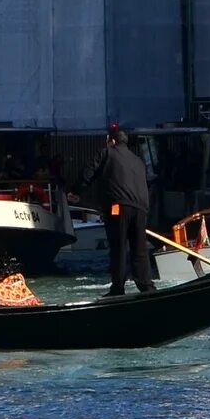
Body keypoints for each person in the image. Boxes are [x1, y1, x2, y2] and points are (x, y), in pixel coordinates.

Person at [86, 123, 158, 296]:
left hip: (119, 207)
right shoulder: (138, 160)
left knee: (118, 247)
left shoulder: (107, 152)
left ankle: (117, 289)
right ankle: (147, 288)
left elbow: (89, 171)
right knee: (139, 249)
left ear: (111, 140)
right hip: (141, 209)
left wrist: (74, 191)